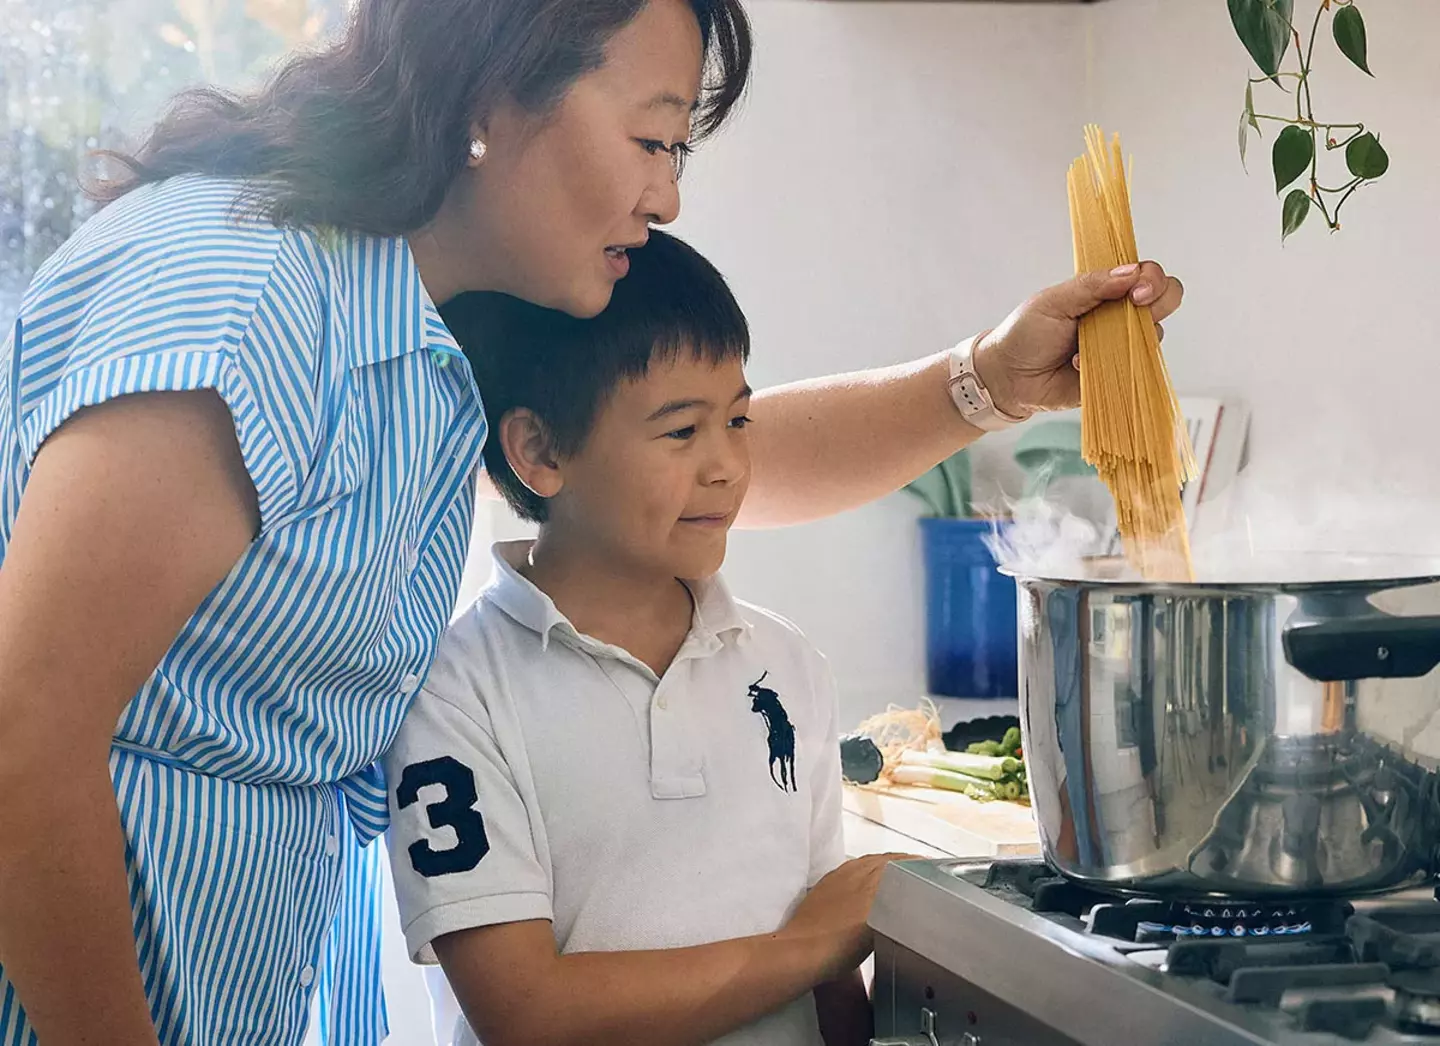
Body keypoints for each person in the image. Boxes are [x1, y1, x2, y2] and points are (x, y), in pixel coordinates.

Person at [0, 0, 1184, 1040]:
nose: (666, 194)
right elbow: (22, 742)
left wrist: (990, 379)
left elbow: (696, 468)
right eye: (655, 136)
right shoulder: (246, 301)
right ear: (495, 91)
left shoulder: (412, 326)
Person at [386, 229, 883, 1046]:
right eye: (682, 431)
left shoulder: (785, 664)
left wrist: (825, 952)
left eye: (740, 418)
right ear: (541, 452)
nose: (726, 464)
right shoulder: (452, 688)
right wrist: (810, 945)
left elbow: (830, 957)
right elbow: (526, 1013)